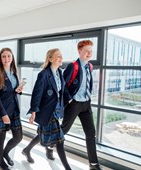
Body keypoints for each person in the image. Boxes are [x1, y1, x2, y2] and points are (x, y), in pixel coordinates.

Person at [23, 48, 71, 170]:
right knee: (60, 140)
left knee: (41, 134)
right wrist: (34, 111)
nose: (60, 58)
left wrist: (69, 98)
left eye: (61, 56)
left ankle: (26, 150)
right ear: (50, 59)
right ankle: (67, 168)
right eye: (57, 56)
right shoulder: (44, 74)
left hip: (56, 110)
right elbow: (37, 94)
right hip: (47, 110)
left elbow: (62, 90)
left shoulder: (59, 72)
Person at [62, 40, 102, 170]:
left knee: (91, 133)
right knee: (63, 130)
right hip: (74, 104)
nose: (89, 53)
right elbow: (63, 85)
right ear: (79, 51)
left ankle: (93, 164)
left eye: (91, 51)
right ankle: (50, 146)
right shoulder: (73, 66)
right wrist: (69, 99)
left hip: (86, 103)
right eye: (86, 51)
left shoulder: (89, 66)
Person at [0, 48, 23, 170]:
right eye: (4, 56)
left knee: (18, 137)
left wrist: (18, 91)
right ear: (0, 58)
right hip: (3, 110)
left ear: (12, 58)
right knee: (1, 137)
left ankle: (5, 152)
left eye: (9, 56)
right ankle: (0, 160)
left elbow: (12, 90)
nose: (6, 59)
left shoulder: (14, 72)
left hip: (14, 108)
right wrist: (3, 114)